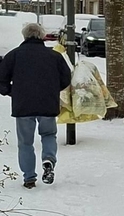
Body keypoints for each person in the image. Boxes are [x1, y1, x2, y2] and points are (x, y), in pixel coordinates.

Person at [0, 22, 72, 189]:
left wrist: (12, 92)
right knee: (48, 134)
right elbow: (65, 78)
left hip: (23, 105)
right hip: (48, 104)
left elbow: (1, 79)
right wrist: (52, 90)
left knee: (25, 142)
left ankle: (29, 178)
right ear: (42, 36)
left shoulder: (14, 55)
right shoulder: (54, 56)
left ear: (24, 36)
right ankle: (48, 160)